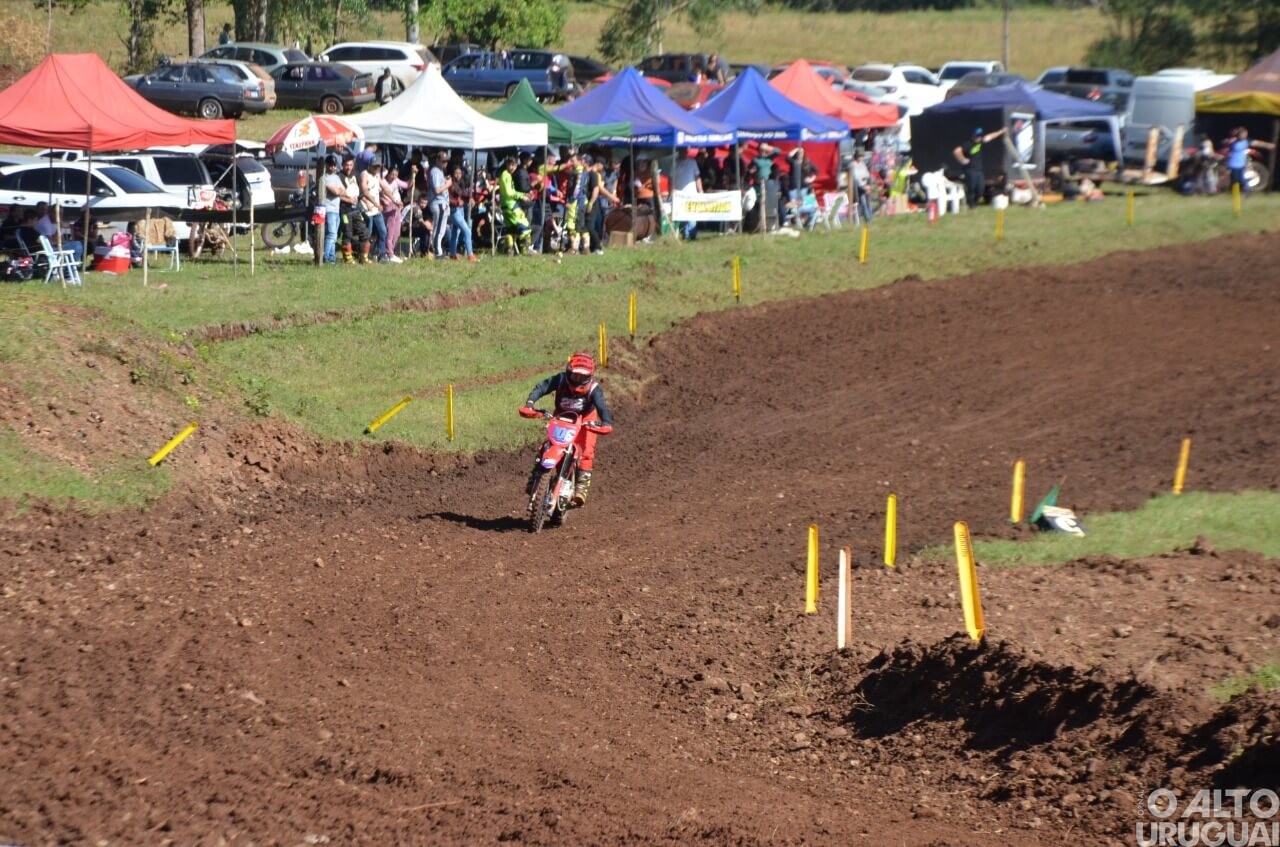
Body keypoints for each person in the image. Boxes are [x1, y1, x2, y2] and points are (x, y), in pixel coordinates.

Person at [518, 353, 614, 509]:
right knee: (549, 444)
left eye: (582, 377)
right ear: (568, 372)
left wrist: (606, 422)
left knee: (587, 451)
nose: (578, 380)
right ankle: (537, 474)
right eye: (575, 376)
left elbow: (602, 406)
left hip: (585, 419)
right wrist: (530, 404)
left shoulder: (593, 389)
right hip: (560, 416)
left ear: (589, 377)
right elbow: (542, 387)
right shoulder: (561, 379)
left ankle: (581, 488)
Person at [954, 126, 1006, 208]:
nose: (979, 138)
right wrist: (963, 159)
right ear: (973, 136)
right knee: (971, 188)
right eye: (977, 136)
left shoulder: (980, 143)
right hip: (970, 170)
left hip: (979, 170)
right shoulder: (968, 144)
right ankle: (971, 204)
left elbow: (990, 136)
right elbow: (957, 151)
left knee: (980, 188)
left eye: (980, 136)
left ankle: (975, 201)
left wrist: (1001, 131)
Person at [498, 155, 534, 255]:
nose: (512, 167)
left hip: (505, 205)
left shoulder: (505, 174)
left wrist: (522, 195)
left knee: (511, 228)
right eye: (510, 165)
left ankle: (509, 249)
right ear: (506, 165)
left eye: (514, 165)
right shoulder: (506, 175)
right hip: (511, 205)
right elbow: (509, 192)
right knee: (525, 225)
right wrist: (522, 196)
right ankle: (525, 250)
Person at [1223, 127, 1275, 195]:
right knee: (1234, 179)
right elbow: (1225, 143)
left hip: (1240, 163)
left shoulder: (1246, 141)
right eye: (1243, 134)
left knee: (1240, 178)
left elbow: (1258, 143)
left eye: (1245, 134)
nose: (1244, 135)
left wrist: (1269, 146)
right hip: (1232, 163)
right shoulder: (1232, 141)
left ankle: (1246, 190)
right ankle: (1235, 192)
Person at [337, 155, 369, 263]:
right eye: (346, 165)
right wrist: (348, 199)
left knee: (364, 232)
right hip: (345, 211)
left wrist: (366, 201)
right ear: (343, 165)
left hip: (356, 209)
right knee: (347, 234)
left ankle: (363, 257)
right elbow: (337, 195)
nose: (349, 167)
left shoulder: (356, 174)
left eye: (351, 165)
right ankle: (348, 259)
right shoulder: (339, 177)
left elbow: (361, 191)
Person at [446, 164, 476, 261]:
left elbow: (463, 193)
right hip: (454, 211)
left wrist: (469, 198)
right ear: (452, 174)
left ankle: (452, 253)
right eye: (456, 173)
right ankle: (470, 254)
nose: (458, 175)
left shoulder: (460, 183)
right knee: (467, 231)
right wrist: (458, 202)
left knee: (455, 232)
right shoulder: (450, 184)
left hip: (460, 209)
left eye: (459, 173)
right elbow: (449, 198)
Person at [671, 148, 702, 241]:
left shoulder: (692, 162)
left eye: (685, 150)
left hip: (692, 194)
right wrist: (671, 190)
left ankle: (692, 235)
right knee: (682, 216)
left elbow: (697, 177)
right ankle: (685, 234)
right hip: (679, 195)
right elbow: (670, 178)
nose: (684, 152)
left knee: (692, 216)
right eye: (682, 150)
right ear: (678, 151)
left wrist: (700, 190)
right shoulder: (674, 164)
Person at [380, 165, 408, 262]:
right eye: (392, 174)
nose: (394, 177)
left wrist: (413, 175)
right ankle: (389, 254)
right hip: (389, 208)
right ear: (388, 173)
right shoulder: (383, 181)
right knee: (390, 232)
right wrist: (394, 201)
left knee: (397, 232)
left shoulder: (396, 181)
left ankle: (391, 251)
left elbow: (407, 185)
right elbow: (385, 193)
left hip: (397, 208)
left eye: (396, 175)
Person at [359, 161, 386, 263]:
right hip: (367, 209)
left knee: (383, 232)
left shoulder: (377, 176)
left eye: (378, 167)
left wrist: (395, 200)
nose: (377, 169)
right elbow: (364, 192)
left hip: (376, 210)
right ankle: (364, 255)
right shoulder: (364, 174)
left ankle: (381, 255)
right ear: (369, 166)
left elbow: (385, 188)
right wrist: (375, 204)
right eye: (375, 167)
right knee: (368, 234)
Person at [427, 151, 450, 258]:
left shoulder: (440, 171)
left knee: (441, 229)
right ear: (437, 160)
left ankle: (438, 249)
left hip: (442, 202)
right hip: (438, 202)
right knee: (438, 229)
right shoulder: (435, 171)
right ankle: (437, 251)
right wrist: (447, 184)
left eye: (446, 161)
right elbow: (436, 190)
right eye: (443, 161)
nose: (445, 163)